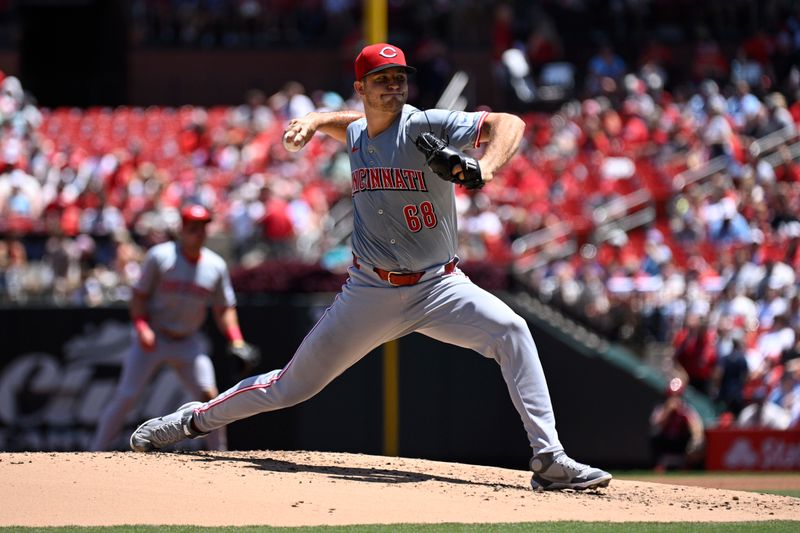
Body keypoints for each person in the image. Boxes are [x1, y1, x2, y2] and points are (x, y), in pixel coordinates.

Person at [129, 43, 612, 491]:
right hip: (370, 291)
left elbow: (510, 123)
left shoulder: (424, 124)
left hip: (439, 286)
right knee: (290, 387)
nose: (394, 87)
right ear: (361, 89)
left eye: (399, 78)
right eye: (382, 79)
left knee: (512, 329)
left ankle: (548, 459)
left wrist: (483, 167)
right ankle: (191, 420)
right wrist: (318, 118)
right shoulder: (360, 131)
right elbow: (352, 125)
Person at [91, 202, 248, 451]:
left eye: (203, 227)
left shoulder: (215, 266)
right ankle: (95, 451)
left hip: (188, 342)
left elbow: (224, 308)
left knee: (210, 397)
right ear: (182, 229)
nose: (199, 232)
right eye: (193, 227)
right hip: (155, 337)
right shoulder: (160, 256)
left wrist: (236, 339)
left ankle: (220, 454)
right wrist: (141, 326)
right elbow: (139, 297)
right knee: (127, 396)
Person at [649, 378, 705, 472]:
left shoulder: (685, 409)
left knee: (697, 441)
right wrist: (668, 412)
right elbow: (656, 424)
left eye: (677, 396)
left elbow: (695, 424)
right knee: (654, 435)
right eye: (672, 396)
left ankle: (686, 465)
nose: (674, 399)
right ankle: (659, 465)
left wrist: (696, 438)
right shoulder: (661, 408)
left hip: (680, 442)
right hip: (665, 441)